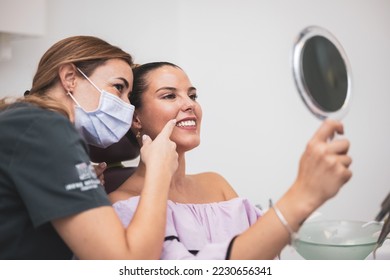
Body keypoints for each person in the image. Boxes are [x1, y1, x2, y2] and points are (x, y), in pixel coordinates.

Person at [109, 61, 353, 259]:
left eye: (192, 95)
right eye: (169, 96)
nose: (189, 104)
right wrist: (304, 193)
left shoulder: (217, 184)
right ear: (136, 119)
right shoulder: (122, 204)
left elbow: (268, 252)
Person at [0, 37, 178, 260]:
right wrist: (159, 171)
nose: (127, 106)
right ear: (70, 78)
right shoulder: (46, 128)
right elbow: (125, 264)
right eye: (118, 87)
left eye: (129, 96)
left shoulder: (23, 121)